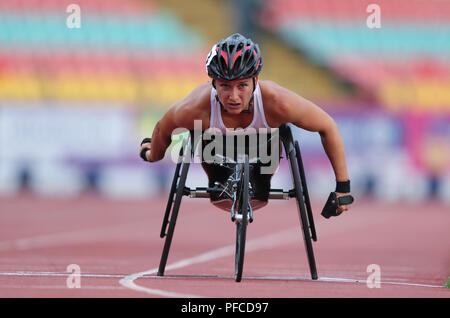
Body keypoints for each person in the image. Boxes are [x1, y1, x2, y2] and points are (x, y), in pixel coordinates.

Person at [139, 33, 353, 216]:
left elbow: (327, 126)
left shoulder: (279, 103)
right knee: (219, 183)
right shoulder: (195, 107)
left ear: (256, 81)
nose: (234, 96)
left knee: (259, 181)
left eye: (242, 85)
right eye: (225, 86)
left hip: (264, 156)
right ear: (213, 83)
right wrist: (153, 154)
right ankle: (227, 184)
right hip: (215, 155)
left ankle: (251, 183)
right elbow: (163, 128)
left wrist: (343, 188)